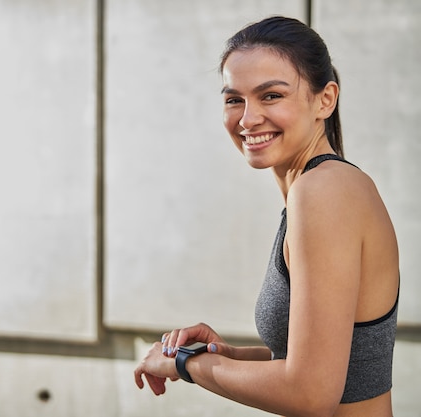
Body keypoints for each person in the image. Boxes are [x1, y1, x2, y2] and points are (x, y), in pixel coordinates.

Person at [134, 16, 399, 417]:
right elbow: (338, 364)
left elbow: (310, 395)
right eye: (233, 99)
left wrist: (186, 364)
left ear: (324, 100)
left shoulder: (323, 191)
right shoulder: (322, 189)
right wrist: (228, 355)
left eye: (271, 96)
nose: (247, 118)